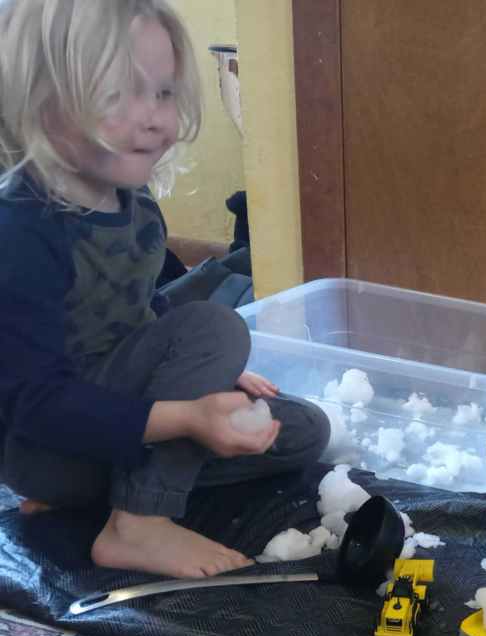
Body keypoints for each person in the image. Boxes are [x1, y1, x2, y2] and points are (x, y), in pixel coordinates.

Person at [0, 0, 329, 578]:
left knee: (300, 431)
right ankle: (138, 523)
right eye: (117, 94)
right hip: (44, 444)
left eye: (163, 92)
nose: (153, 116)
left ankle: (98, 496)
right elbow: (36, 404)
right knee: (215, 322)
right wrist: (187, 417)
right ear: (37, 99)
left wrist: (207, 378)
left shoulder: (135, 202)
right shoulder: (21, 229)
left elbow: (137, 311)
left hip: (104, 439)